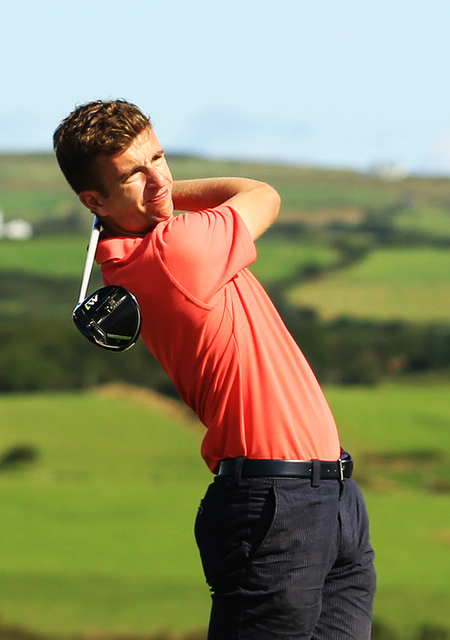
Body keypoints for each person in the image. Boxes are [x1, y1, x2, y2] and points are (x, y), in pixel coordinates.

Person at [53, 99, 375, 640]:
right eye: (135, 173)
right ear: (94, 200)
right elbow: (261, 194)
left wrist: (145, 189)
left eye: (160, 158)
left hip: (328, 495)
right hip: (278, 505)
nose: (157, 179)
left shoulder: (140, 256)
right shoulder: (176, 251)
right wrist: (170, 192)